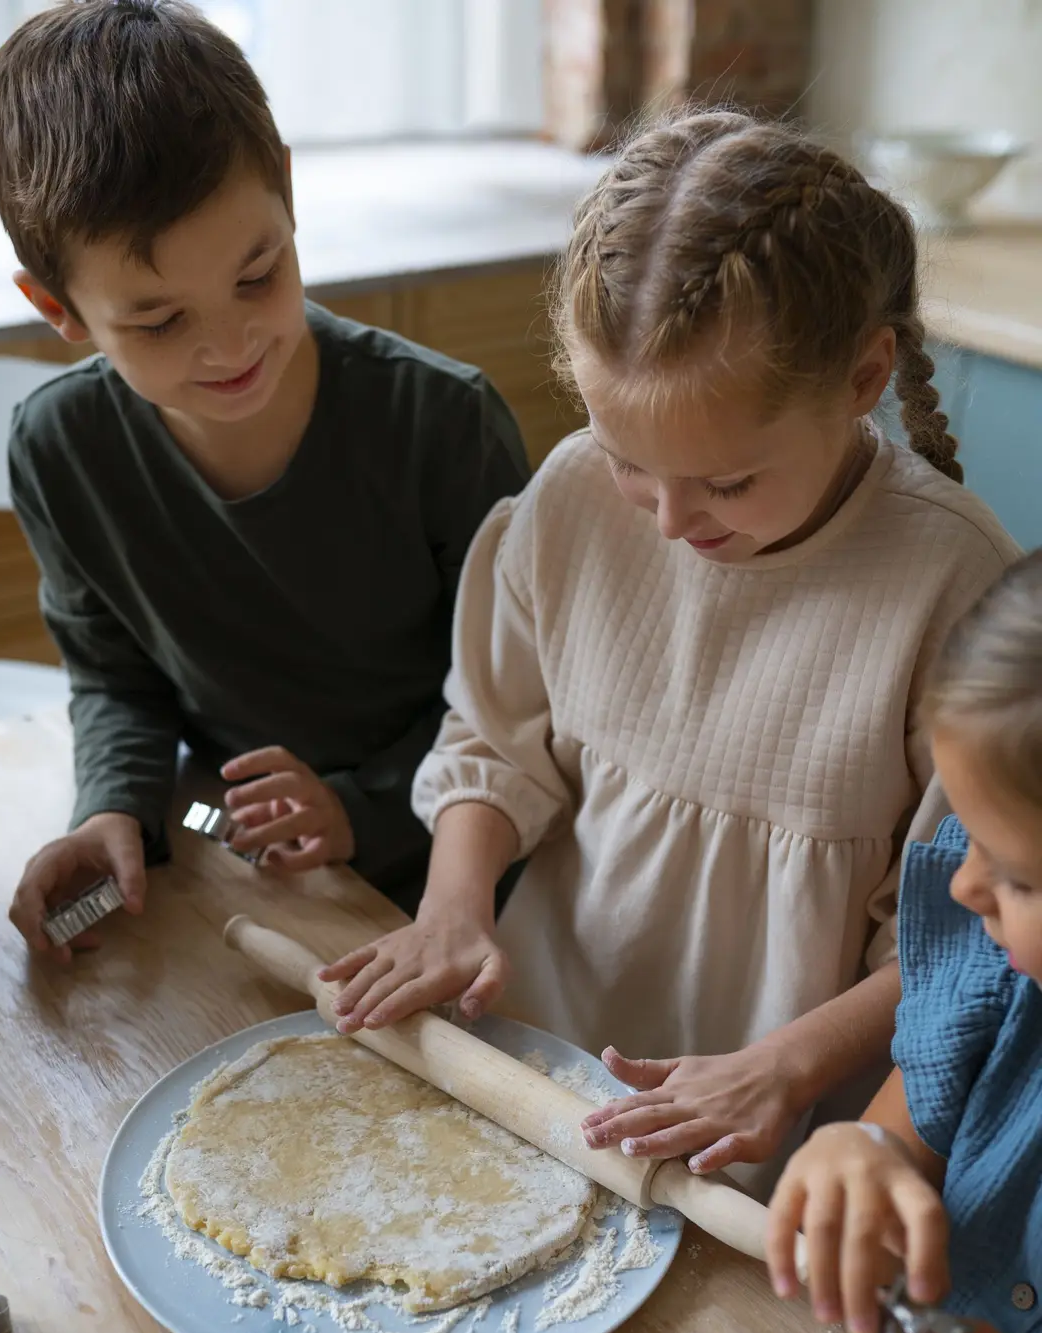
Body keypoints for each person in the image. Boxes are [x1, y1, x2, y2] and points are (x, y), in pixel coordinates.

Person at [323, 108, 1018, 1191]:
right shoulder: (565, 504)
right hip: (541, 1067)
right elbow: (496, 740)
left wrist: (784, 1068)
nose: (666, 521)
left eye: (729, 482)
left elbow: (966, 943)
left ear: (864, 378)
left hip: (766, 1133)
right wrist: (455, 903)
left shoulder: (961, 592)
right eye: (627, 461)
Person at [0, 0, 529, 955]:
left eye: (258, 274)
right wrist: (115, 810)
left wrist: (362, 807)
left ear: (289, 196)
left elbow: (520, 705)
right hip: (234, 858)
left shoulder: (442, 421)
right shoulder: (59, 446)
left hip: (458, 876)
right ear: (57, 308)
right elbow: (114, 677)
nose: (229, 346)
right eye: (159, 321)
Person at [768, 553, 1042, 1333]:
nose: (965, 888)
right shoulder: (1002, 969)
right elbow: (898, 1141)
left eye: (1016, 875)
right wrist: (859, 1155)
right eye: (965, 837)